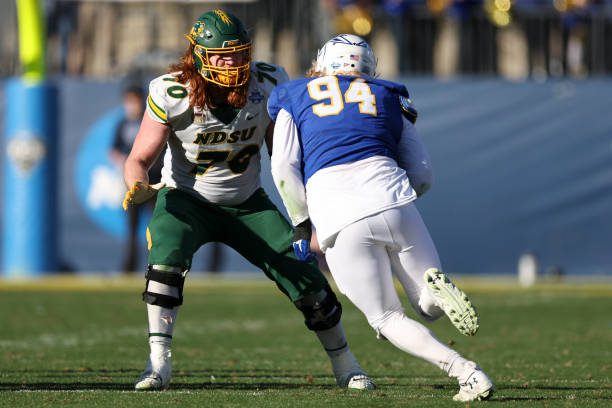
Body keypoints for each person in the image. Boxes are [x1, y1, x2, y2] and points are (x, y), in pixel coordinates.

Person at [121, 10, 374, 391]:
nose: (233, 64)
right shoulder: (171, 91)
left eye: (239, 54)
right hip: (187, 200)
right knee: (164, 267)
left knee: (308, 283)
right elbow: (139, 159)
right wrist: (137, 184)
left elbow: (284, 155)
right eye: (222, 56)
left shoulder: (269, 82)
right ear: (198, 56)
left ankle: (347, 366)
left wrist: (313, 203)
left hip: (247, 202)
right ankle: (158, 365)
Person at [268, 34, 495, 402]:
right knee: (426, 305)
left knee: (387, 318)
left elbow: (282, 166)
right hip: (393, 197)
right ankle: (435, 289)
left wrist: (301, 221)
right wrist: (393, 200)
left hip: (339, 212)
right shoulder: (388, 95)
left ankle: (465, 371)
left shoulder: (295, 94)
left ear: (323, 63)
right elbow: (422, 174)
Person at [110, 84, 163, 273]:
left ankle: (158, 266)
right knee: (131, 229)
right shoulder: (123, 123)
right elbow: (113, 149)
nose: (132, 105)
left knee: (157, 229)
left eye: (135, 100)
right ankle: (129, 267)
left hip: (155, 182)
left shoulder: (152, 121)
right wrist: (127, 163)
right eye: (129, 100)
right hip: (133, 185)